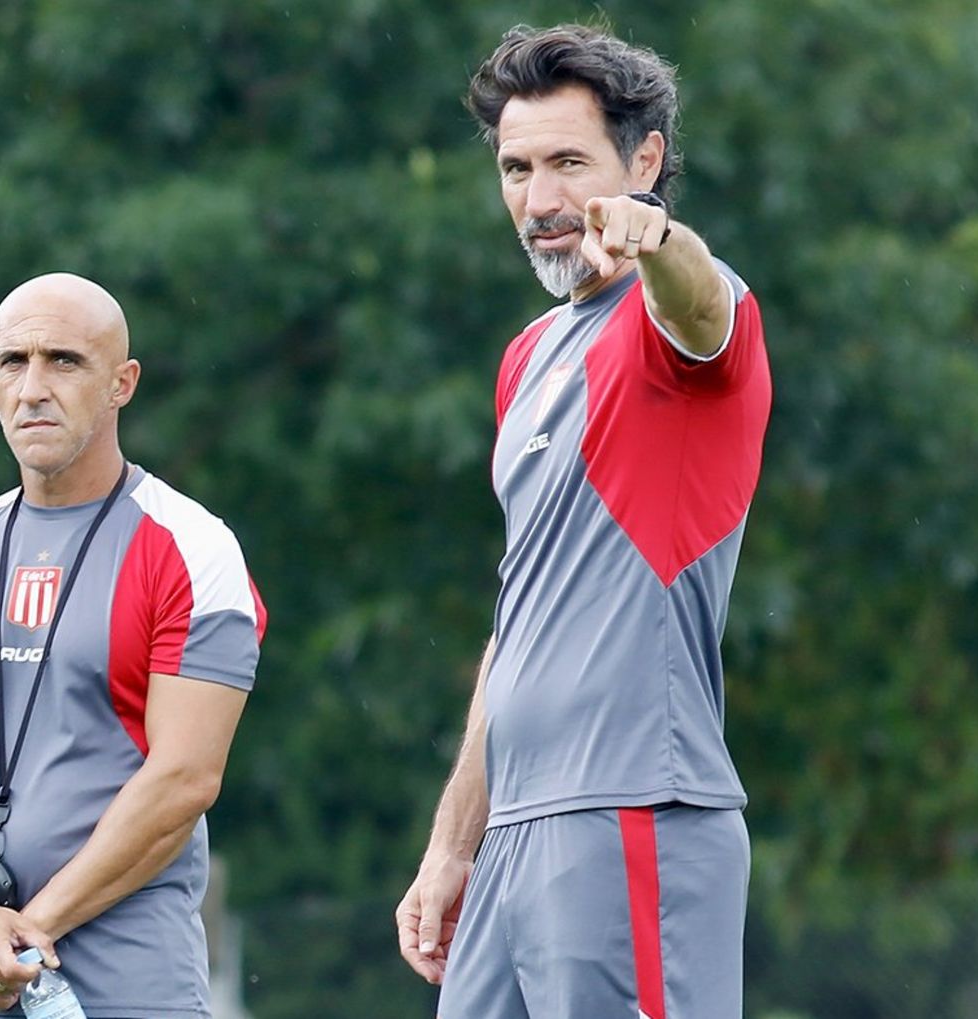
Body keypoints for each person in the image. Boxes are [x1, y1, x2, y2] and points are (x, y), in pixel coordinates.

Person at [395, 24, 771, 1019]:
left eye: (569, 162)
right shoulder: (525, 355)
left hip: (631, 808)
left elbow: (698, 307)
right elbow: (517, 620)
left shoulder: (678, 312)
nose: (539, 199)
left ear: (641, 160)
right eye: (516, 168)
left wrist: (662, 241)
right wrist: (451, 840)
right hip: (513, 833)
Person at [0, 272, 266, 1018]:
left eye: (64, 360)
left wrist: (33, 929)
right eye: (13, 362)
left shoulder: (193, 545)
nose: (33, 387)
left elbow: (185, 776)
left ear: (122, 382)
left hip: (126, 984)